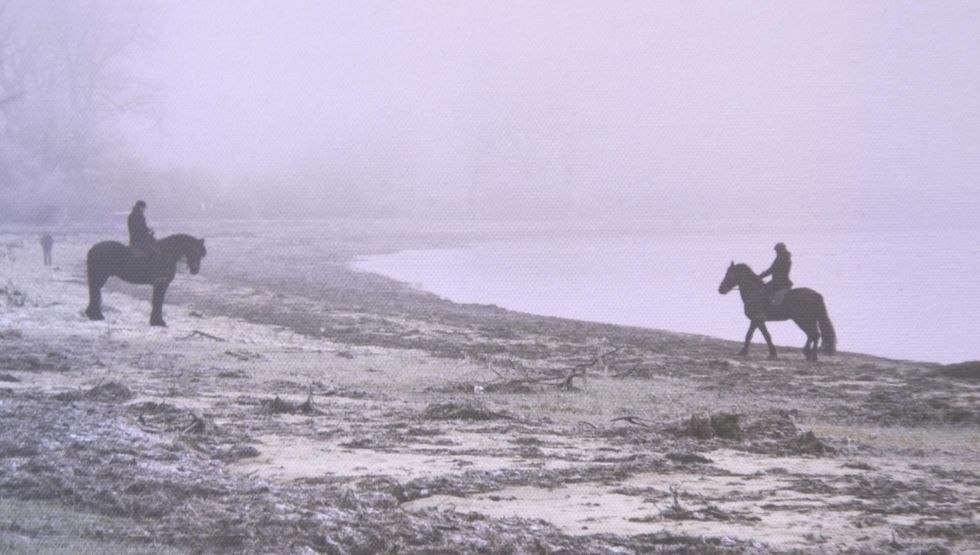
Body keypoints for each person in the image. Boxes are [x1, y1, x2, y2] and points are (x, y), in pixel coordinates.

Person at [760, 242, 793, 306]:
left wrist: (761, 276)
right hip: (783, 281)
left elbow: (772, 269)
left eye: (777, 250)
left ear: (780, 250)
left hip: (779, 281)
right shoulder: (786, 257)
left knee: (763, 292)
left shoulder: (781, 258)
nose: (776, 252)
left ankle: (765, 312)